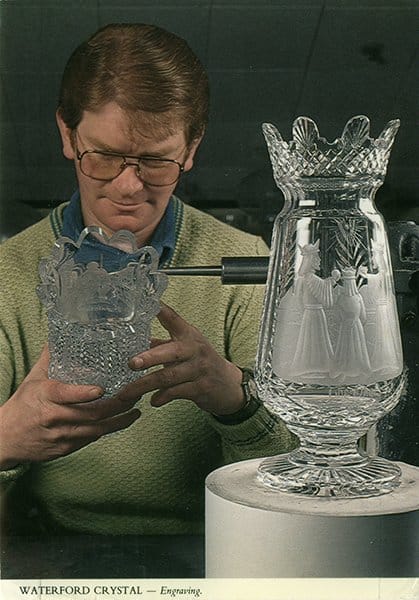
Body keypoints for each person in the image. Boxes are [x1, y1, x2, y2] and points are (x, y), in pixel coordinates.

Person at [0, 23, 296, 537]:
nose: (128, 187)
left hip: (219, 544)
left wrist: (237, 401)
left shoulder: (250, 262)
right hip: (49, 548)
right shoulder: (8, 272)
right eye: (104, 157)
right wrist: (5, 439)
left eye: (157, 161)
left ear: (191, 148)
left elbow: (298, 475)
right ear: (68, 135)